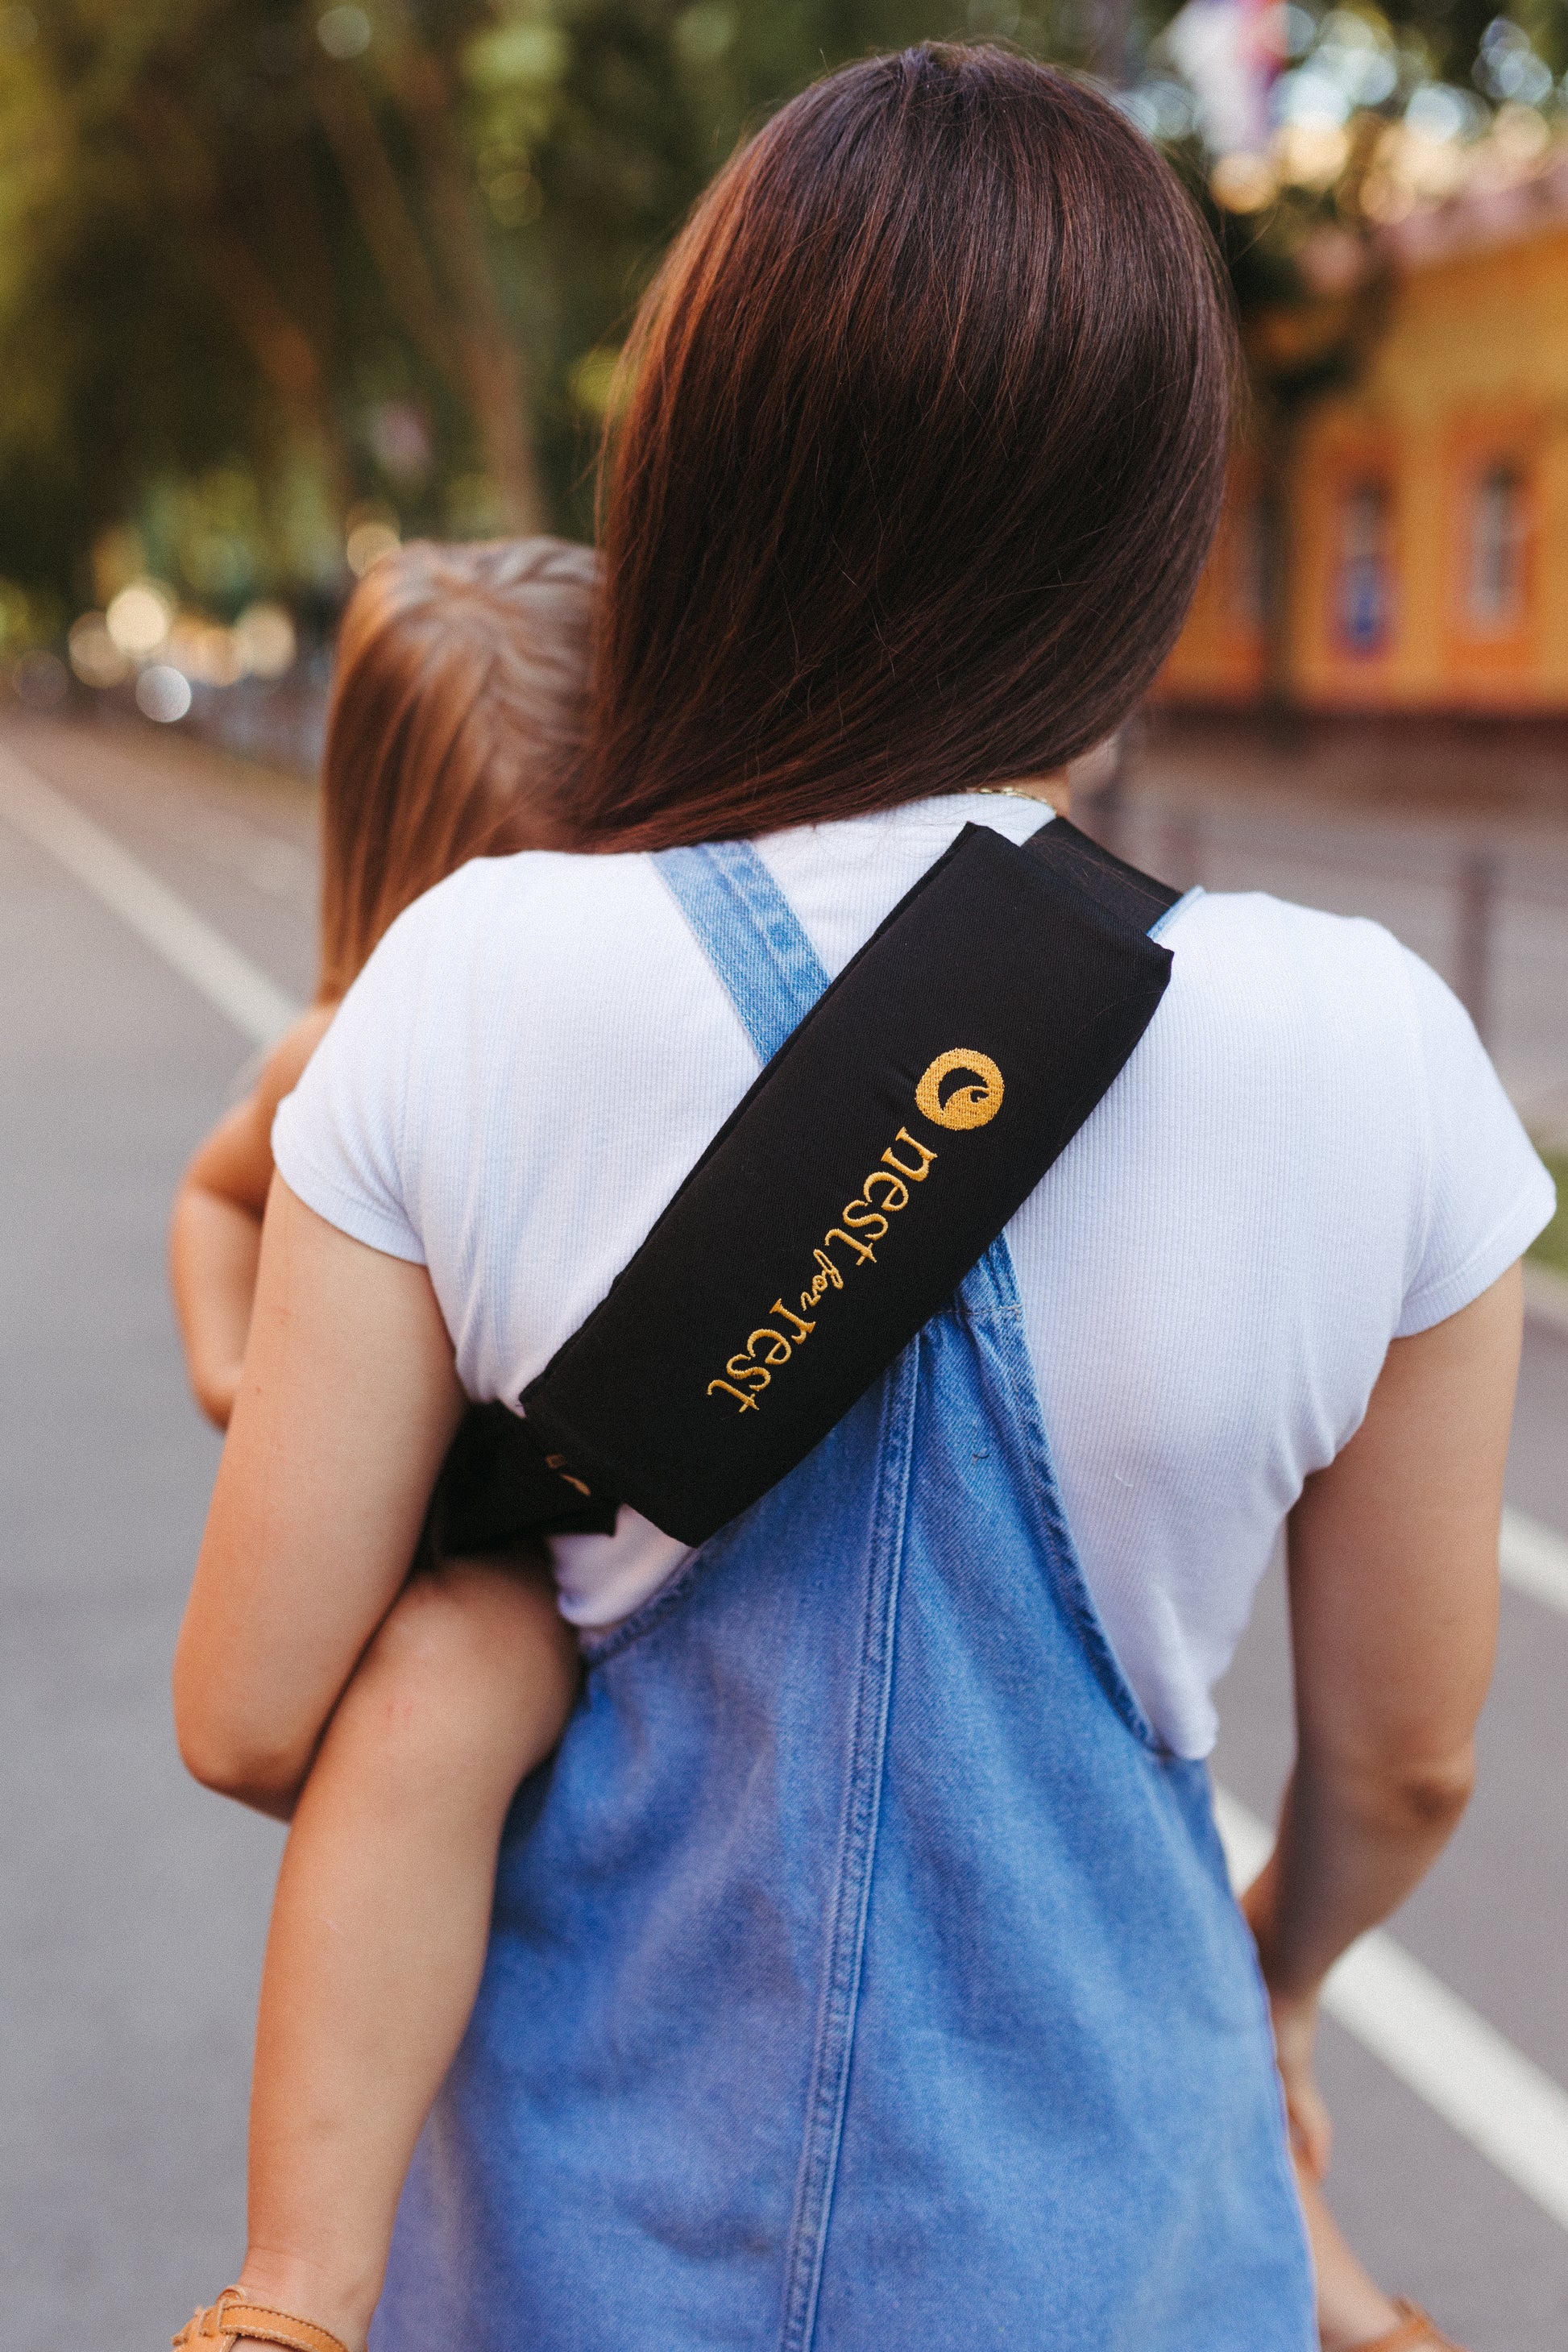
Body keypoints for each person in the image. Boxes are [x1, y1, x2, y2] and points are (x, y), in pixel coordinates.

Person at [172, 45, 1553, 2352]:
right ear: (1154, 526)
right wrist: (1274, 1981)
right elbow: (1406, 1757)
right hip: (1123, 2254)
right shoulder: (1376, 1045)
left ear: (698, 469)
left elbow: (245, 1715)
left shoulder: (469, 985)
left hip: (573, 2260)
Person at [168, 535, 592, 2350]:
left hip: (609, 1488)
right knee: (442, 1692)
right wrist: (245, 1390)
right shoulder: (343, 1050)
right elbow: (209, 1194)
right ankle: (295, 2289)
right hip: (466, 1526)